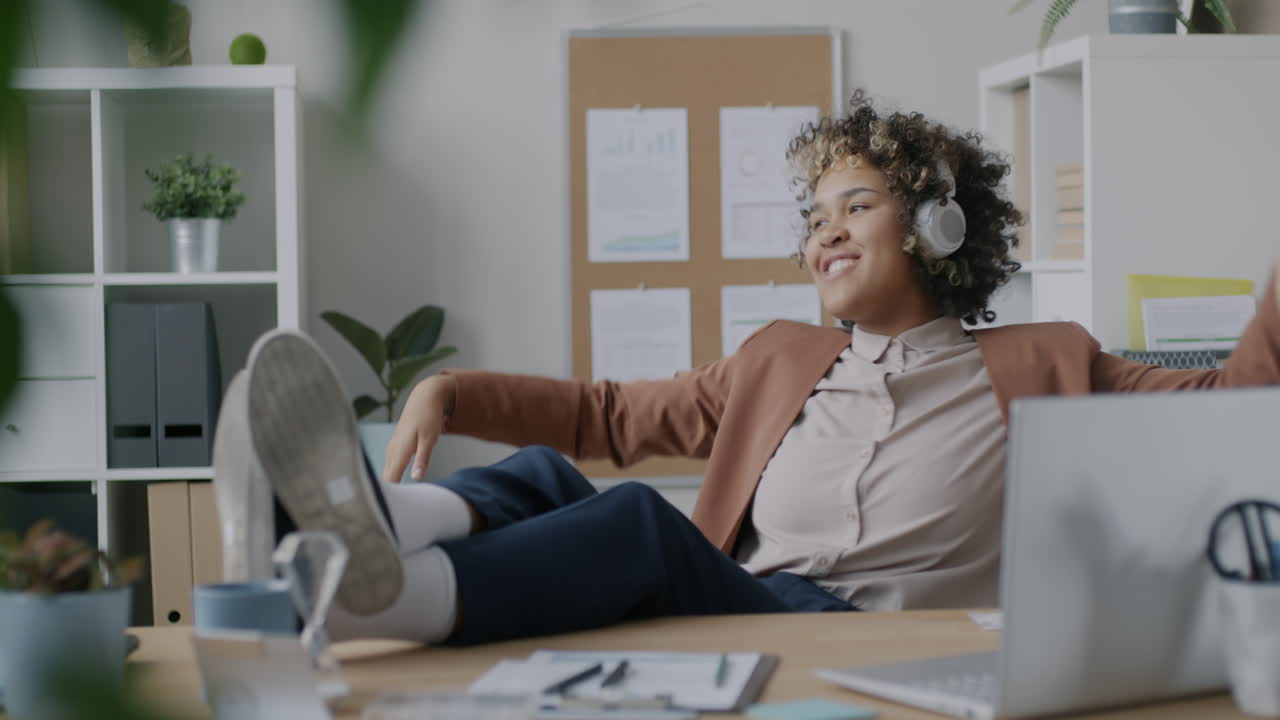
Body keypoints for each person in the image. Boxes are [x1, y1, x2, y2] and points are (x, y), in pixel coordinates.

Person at [214, 91, 1280, 647]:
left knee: (636, 523)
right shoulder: (778, 356)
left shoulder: (1046, 360)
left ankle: (368, 603)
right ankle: (345, 539)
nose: (822, 234)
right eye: (812, 218)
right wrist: (451, 390)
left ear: (939, 225)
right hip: (744, 602)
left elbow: (1235, 405)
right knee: (545, 479)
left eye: (854, 205)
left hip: (869, 637)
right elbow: (602, 413)